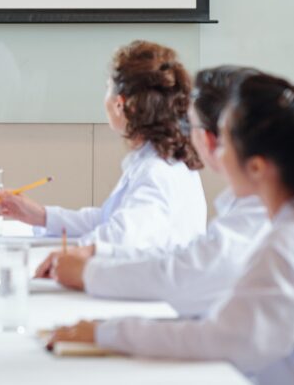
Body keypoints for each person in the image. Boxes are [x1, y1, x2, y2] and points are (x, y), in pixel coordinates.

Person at [48, 73, 294, 385]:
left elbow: (226, 338)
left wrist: (106, 333)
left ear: (259, 166)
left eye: (224, 142)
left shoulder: (286, 243)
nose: (214, 151)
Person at [42, 66, 271, 317]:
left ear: (208, 139)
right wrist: (98, 253)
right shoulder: (254, 205)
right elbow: (180, 252)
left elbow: (183, 272)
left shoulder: (262, 218)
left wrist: (89, 271)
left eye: (190, 126)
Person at [0, 40, 207, 253]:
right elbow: (108, 218)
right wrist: (41, 216)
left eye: (108, 89)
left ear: (119, 105)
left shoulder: (155, 172)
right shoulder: (160, 159)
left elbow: (121, 236)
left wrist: (70, 255)